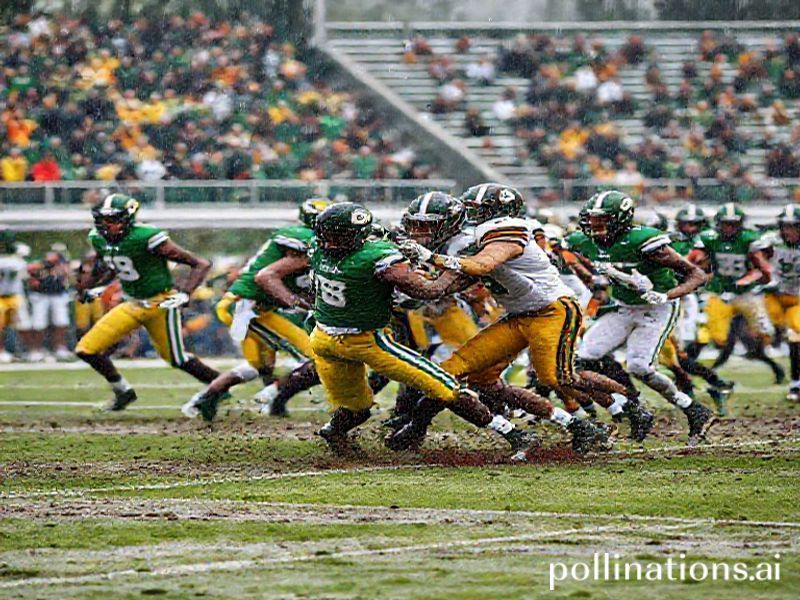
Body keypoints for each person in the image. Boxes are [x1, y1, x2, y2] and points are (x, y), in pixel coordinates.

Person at [568, 191, 716, 445]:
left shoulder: (642, 241)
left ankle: (693, 410)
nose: (594, 226)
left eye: (601, 220)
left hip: (655, 310)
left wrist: (666, 295)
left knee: (639, 367)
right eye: (591, 220)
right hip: (623, 307)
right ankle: (631, 408)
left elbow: (697, 275)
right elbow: (568, 256)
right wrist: (595, 281)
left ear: (621, 220)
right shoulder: (583, 241)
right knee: (581, 362)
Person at [183, 198, 329, 421]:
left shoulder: (304, 242)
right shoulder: (305, 241)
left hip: (252, 307)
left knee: (257, 365)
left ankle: (206, 398)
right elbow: (266, 278)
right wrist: (295, 303)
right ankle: (272, 394)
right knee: (317, 354)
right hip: (246, 306)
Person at [75, 193, 220, 410]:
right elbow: (115, 265)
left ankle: (220, 386)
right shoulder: (97, 238)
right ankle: (123, 391)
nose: (106, 226)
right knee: (86, 349)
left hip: (160, 303)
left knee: (177, 358)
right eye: (102, 220)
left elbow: (200, 263)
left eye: (113, 220)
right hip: (132, 302)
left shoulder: (146, 236)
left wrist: (185, 293)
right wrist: (99, 286)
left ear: (128, 218)